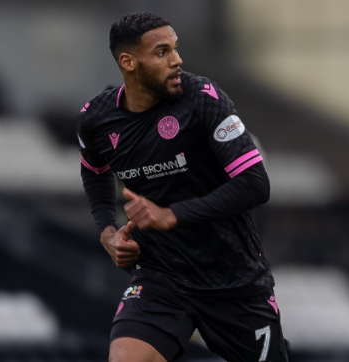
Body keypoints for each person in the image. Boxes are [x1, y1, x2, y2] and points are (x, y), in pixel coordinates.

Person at [77, 12, 288, 362]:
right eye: (162, 52)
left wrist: (172, 215)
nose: (177, 60)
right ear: (129, 63)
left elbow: (255, 184)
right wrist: (107, 231)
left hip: (232, 278)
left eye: (175, 49)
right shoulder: (96, 119)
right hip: (161, 275)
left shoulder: (203, 98)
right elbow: (94, 171)